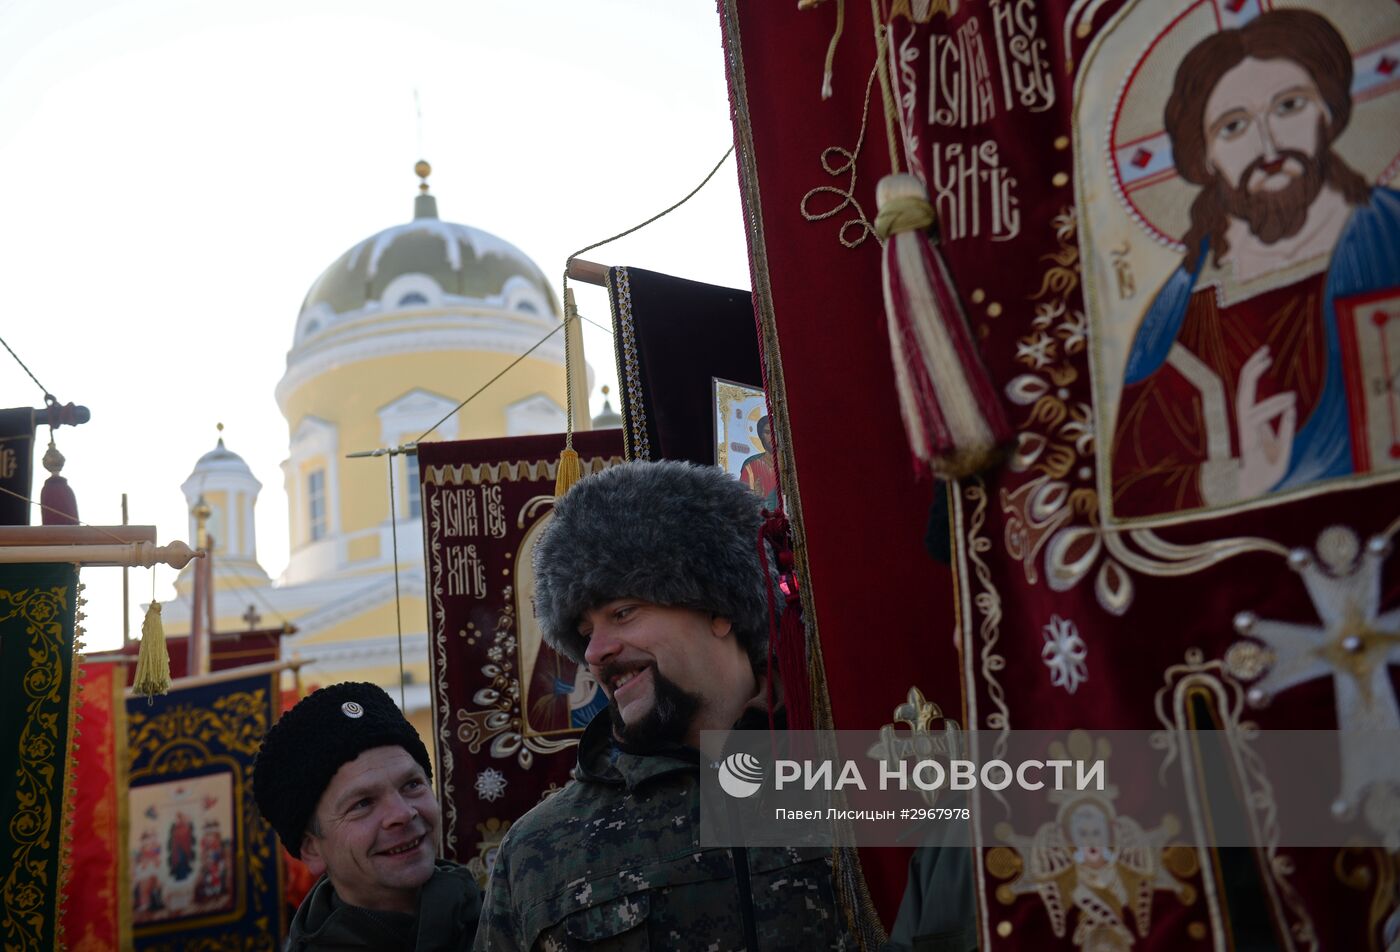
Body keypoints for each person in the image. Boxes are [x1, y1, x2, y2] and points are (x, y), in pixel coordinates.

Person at [473, 460, 855, 950]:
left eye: (623, 613)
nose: (594, 652)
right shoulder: (538, 850)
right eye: (586, 633)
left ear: (718, 607)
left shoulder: (865, 773)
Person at [1110, 8, 1400, 517]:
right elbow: (1122, 493)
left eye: (1289, 105)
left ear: (1327, 114)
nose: (1268, 147)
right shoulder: (1181, 320)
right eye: (1234, 126)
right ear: (1206, 158)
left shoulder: (1390, 235)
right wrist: (1238, 480)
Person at [253, 681, 481, 951]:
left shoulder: (510, 918)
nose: (403, 813)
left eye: (412, 784)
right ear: (311, 849)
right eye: (362, 803)